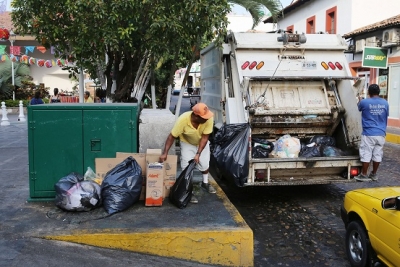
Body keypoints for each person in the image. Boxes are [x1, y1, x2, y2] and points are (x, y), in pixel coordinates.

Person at [159, 103, 216, 204]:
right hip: (187, 143)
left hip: (201, 143)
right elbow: (172, 136)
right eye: (204, 117)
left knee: (205, 164)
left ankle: (205, 183)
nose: (207, 118)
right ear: (196, 116)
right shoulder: (182, 120)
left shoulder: (209, 119)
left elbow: (205, 138)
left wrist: (198, 154)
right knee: (186, 167)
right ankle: (189, 190)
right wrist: (165, 153)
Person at [354, 84, 389, 182]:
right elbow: (385, 116)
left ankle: (364, 174)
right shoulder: (385, 103)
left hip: (369, 133)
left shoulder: (364, 102)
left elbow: (358, 108)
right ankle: (374, 174)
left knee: (366, 153)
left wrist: (360, 100)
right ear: (379, 92)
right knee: (377, 154)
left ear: (369, 92)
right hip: (381, 133)